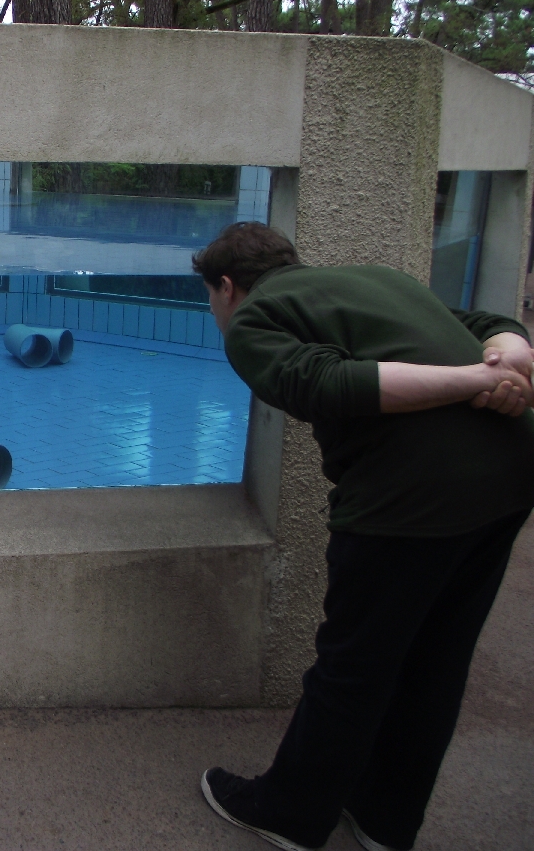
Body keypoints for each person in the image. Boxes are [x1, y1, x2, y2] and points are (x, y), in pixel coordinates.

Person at [192, 222, 534, 851]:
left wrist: (479, 381)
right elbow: (489, 321)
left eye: (212, 299)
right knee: (437, 659)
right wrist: (510, 357)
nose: (216, 311)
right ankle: (385, 820)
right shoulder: (378, 280)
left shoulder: (252, 319)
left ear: (227, 286)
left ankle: (289, 814)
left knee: (354, 666)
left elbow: (332, 385)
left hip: (413, 499)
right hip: (511, 478)